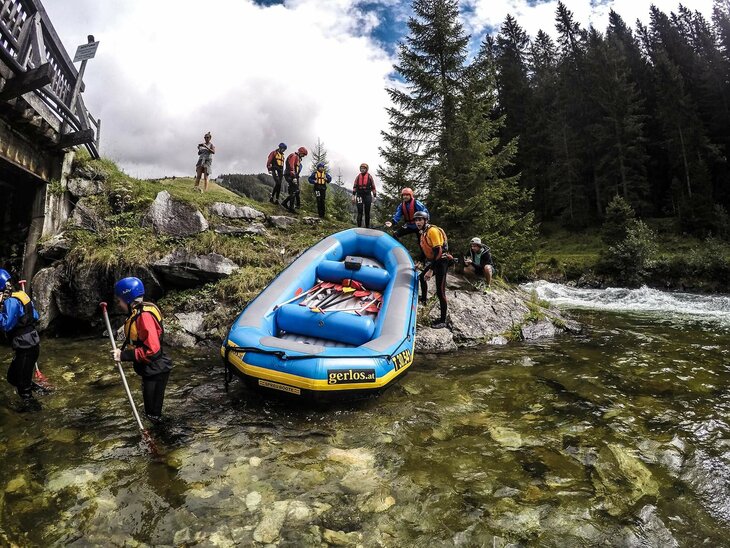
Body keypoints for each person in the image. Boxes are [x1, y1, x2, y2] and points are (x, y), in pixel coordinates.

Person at [112, 277, 173, 422]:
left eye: (120, 300)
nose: (119, 304)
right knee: (151, 412)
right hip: (151, 369)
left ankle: (164, 439)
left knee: (153, 415)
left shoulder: (144, 316)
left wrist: (124, 355)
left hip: (156, 369)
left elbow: (152, 350)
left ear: (128, 299)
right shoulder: (138, 312)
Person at [0, 269, 41, 402]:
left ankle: (33, 412)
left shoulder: (10, 301)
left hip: (26, 348)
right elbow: (35, 315)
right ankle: (37, 388)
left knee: (23, 390)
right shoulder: (21, 294)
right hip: (31, 344)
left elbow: (6, 325)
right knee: (12, 378)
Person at [415, 211, 449, 329]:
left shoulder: (432, 231)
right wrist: (420, 262)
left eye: (420, 220)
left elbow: (438, 251)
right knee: (421, 278)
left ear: (426, 220)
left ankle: (443, 321)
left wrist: (431, 270)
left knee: (441, 292)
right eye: (416, 220)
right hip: (436, 261)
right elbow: (424, 249)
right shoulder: (423, 232)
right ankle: (424, 301)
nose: (418, 222)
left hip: (442, 261)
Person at [282, 146, 308, 213]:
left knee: (296, 191)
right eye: (303, 154)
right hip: (290, 175)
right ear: (300, 152)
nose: (303, 156)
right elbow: (291, 166)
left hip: (293, 175)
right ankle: (291, 208)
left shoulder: (298, 158)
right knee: (293, 191)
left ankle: (285, 203)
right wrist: (293, 177)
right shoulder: (294, 156)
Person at [352, 163, 377, 228]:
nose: (362, 170)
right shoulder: (358, 177)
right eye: (361, 168)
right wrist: (353, 196)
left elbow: (373, 187)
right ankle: (359, 227)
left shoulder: (369, 177)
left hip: (367, 195)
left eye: (364, 168)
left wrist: (374, 196)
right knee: (360, 211)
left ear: (366, 169)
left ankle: (367, 226)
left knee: (367, 211)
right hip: (359, 195)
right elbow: (354, 187)